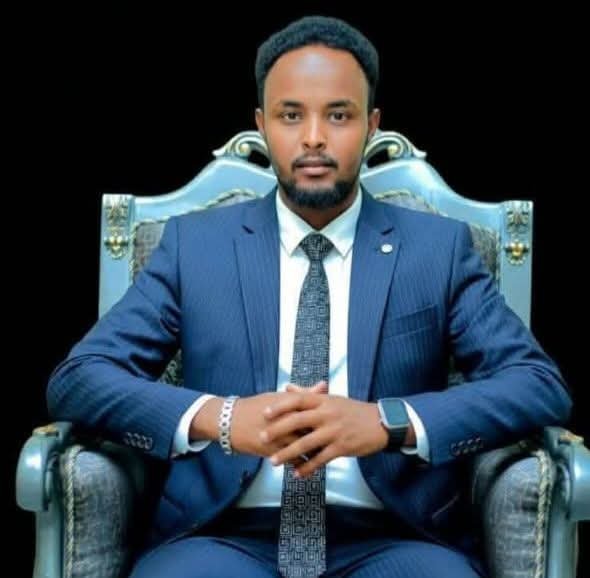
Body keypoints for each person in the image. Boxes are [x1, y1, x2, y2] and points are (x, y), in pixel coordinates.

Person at [47, 15, 572, 578]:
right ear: (262, 124)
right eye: (291, 115)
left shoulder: (436, 250)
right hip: (223, 536)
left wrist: (387, 422)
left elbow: (537, 384)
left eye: (338, 115)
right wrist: (221, 418)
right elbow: (80, 378)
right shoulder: (194, 247)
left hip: (394, 536)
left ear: (371, 126)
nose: (314, 137)